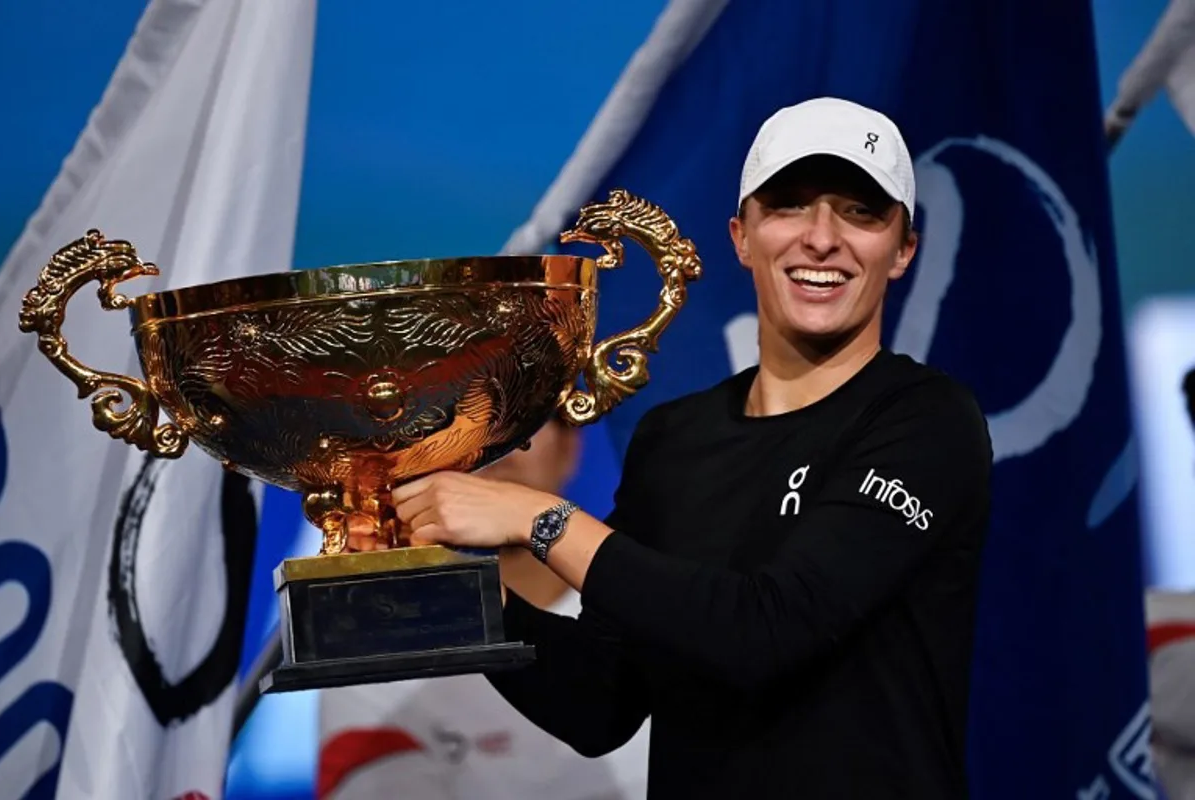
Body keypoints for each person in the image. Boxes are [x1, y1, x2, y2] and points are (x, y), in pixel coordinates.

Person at [386, 97, 994, 798]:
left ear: (903, 250)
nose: (822, 238)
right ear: (742, 236)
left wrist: (538, 520)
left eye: (860, 211)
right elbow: (598, 703)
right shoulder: (675, 438)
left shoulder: (925, 419)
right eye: (791, 205)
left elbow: (766, 630)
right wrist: (449, 582)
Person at [318, 417, 650, 800]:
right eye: (463, 421)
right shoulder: (374, 651)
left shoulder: (655, 615)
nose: (498, 450)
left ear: (571, 449)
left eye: (524, 422)